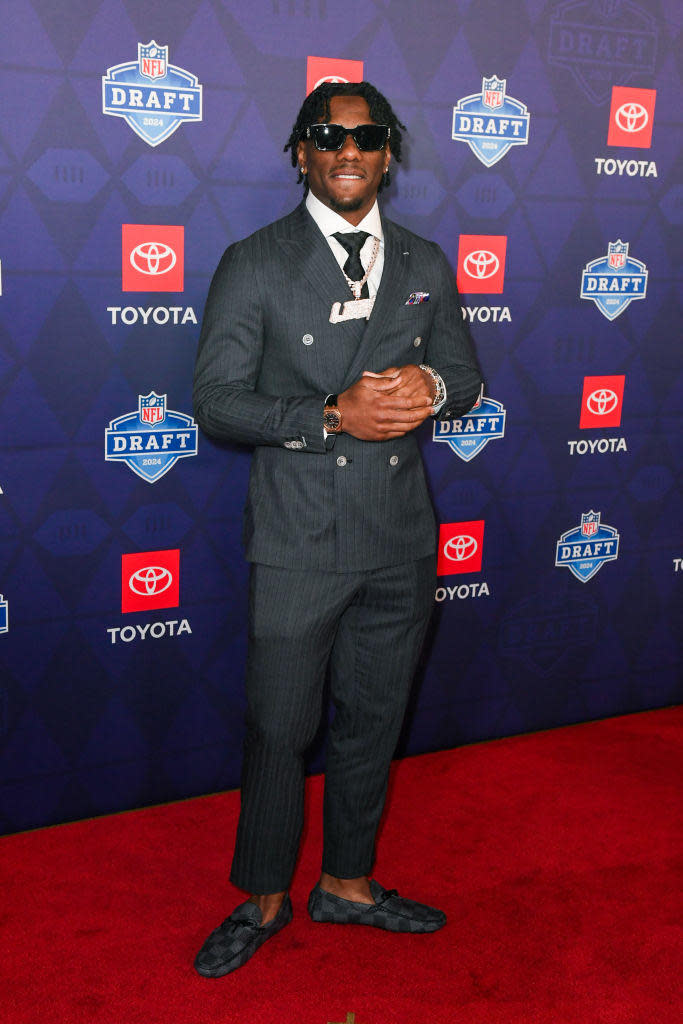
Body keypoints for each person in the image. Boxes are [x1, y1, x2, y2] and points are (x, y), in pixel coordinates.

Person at [192, 81, 482, 977]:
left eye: (366, 137)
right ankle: (265, 893)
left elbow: (463, 377)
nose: (346, 151)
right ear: (301, 155)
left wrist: (431, 392)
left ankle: (346, 884)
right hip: (298, 537)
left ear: (388, 154)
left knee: (373, 716)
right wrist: (330, 414)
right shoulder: (255, 260)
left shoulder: (427, 262)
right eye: (326, 136)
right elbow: (213, 399)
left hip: (398, 534)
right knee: (280, 726)